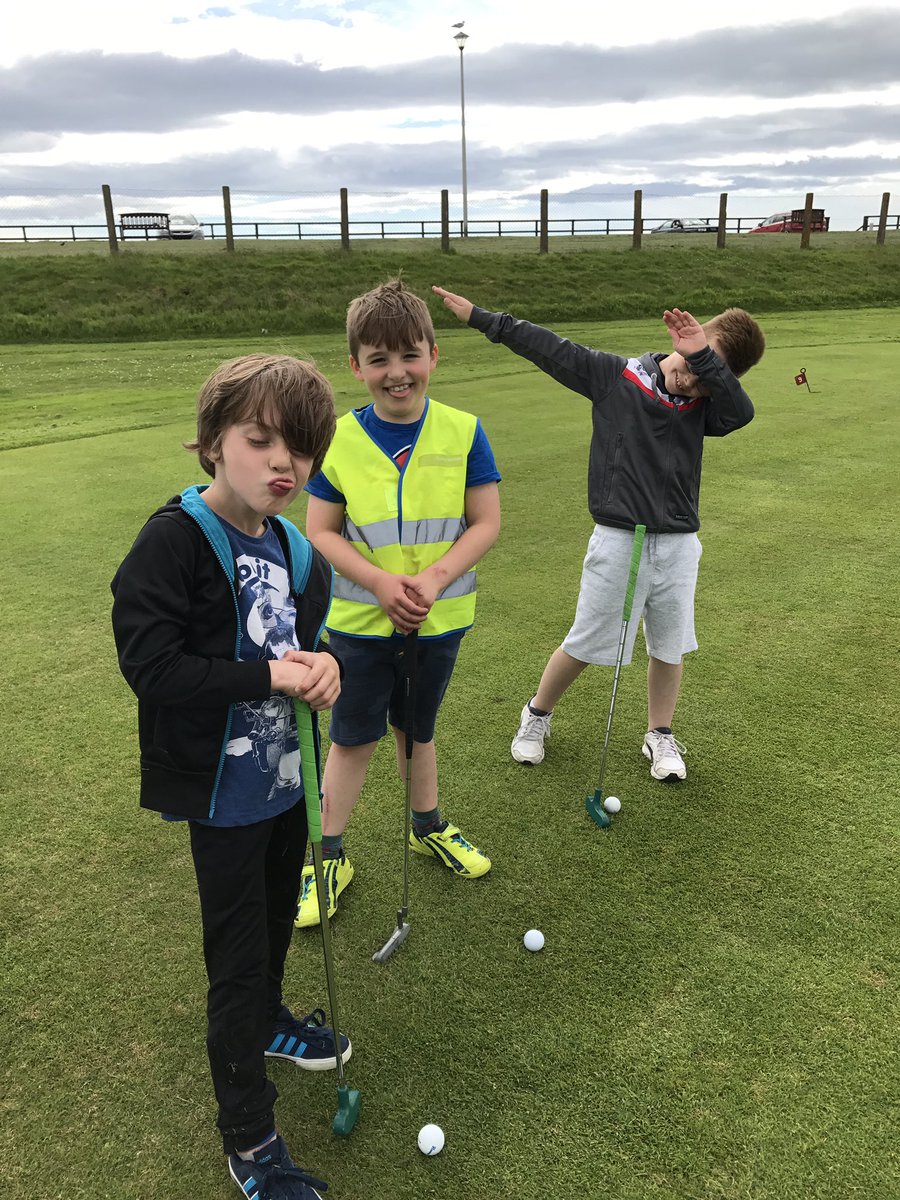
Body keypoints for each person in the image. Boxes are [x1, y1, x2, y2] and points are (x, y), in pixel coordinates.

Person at [111, 354, 348, 1200]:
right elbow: (153, 667)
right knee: (239, 958)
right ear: (214, 444)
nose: (284, 464)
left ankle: (271, 1022)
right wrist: (270, 678)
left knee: (280, 917)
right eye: (260, 441)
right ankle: (249, 1135)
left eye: (303, 451)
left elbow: (310, 649)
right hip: (221, 798)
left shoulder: (296, 544)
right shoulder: (172, 541)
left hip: (287, 783)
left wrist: (325, 671)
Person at [432, 286, 765, 783]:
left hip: (677, 543)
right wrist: (484, 318)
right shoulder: (617, 378)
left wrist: (704, 362)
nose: (690, 380)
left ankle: (660, 733)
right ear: (682, 338)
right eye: (692, 364)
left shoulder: (709, 405)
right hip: (618, 538)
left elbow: (742, 412)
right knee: (587, 641)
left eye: (705, 376)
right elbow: (548, 347)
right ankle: (537, 715)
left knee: (668, 645)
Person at [295, 278, 501, 928]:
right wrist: (383, 585)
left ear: (434, 355)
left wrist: (434, 579)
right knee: (352, 736)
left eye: (409, 355)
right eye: (378, 359)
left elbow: (486, 522)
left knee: (418, 729)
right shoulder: (337, 439)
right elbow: (320, 530)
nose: (396, 372)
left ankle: (427, 825)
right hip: (359, 626)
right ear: (355, 366)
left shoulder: (466, 432)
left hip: (440, 619)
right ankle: (327, 856)